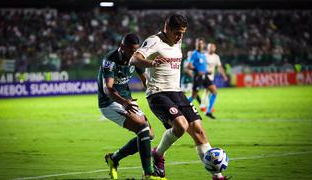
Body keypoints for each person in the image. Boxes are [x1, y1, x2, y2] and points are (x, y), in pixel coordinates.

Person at [130, 14, 229, 180]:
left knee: (199, 130)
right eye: (177, 32)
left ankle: (217, 177)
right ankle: (158, 154)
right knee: (181, 125)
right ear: (166, 28)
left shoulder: (178, 41)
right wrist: (151, 63)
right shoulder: (154, 41)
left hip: (177, 92)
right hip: (158, 93)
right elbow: (135, 59)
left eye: (183, 33)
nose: (180, 36)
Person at [97, 33, 163, 180]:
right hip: (109, 102)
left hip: (126, 99)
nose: (134, 54)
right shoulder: (110, 60)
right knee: (142, 127)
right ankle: (148, 173)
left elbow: (145, 80)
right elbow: (108, 89)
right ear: (122, 47)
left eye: (136, 50)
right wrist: (124, 102)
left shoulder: (135, 60)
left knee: (149, 135)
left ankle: (114, 158)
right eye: (131, 50)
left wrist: (155, 92)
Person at [201, 43, 228, 119]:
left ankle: (206, 107)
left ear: (215, 48)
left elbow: (219, 67)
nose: (210, 48)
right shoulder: (204, 56)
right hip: (204, 77)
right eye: (209, 47)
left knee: (207, 92)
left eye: (212, 47)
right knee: (212, 92)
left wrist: (224, 76)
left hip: (211, 78)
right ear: (207, 48)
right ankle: (207, 109)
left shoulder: (216, 57)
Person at [186, 38, 208, 109]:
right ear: (196, 44)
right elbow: (189, 66)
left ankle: (204, 106)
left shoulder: (203, 54)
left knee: (196, 94)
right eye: (198, 43)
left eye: (201, 43)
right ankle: (183, 106)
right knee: (194, 95)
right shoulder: (194, 54)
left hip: (203, 76)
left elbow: (203, 66)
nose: (199, 45)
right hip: (197, 77)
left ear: (203, 45)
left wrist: (206, 71)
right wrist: (197, 70)